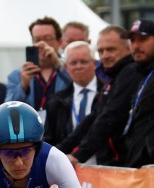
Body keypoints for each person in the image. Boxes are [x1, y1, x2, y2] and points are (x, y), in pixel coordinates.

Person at [59, 25, 134, 168]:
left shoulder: (130, 73)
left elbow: (109, 118)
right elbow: (92, 119)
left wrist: (78, 155)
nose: (105, 55)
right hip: (112, 166)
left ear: (127, 49)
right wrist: (55, 153)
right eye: (101, 51)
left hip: (125, 166)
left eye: (111, 49)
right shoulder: (113, 79)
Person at [6, 17, 71, 120]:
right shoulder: (17, 74)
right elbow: (8, 110)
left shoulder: (70, 69)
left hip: (62, 132)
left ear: (59, 42)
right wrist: (23, 86)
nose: (41, 44)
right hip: (32, 133)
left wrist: (58, 64)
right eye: (37, 40)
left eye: (47, 39)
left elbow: (77, 86)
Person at [43, 41, 102, 149]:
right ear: (66, 67)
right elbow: (49, 139)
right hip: (68, 162)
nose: (78, 67)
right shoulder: (56, 101)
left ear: (94, 64)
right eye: (73, 63)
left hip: (103, 163)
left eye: (83, 62)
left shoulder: (108, 93)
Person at [121, 19, 154, 168]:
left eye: (143, 39)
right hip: (140, 168)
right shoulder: (142, 73)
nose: (136, 46)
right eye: (132, 40)